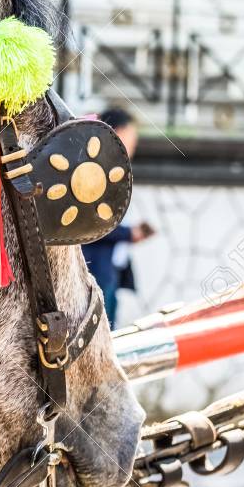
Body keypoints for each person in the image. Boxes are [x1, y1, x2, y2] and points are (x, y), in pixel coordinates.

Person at [82, 107, 153, 328]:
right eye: (132, 136)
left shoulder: (112, 169)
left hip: (109, 269)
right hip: (96, 269)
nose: (134, 144)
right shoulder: (96, 170)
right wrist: (128, 234)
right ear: (118, 131)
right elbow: (92, 220)